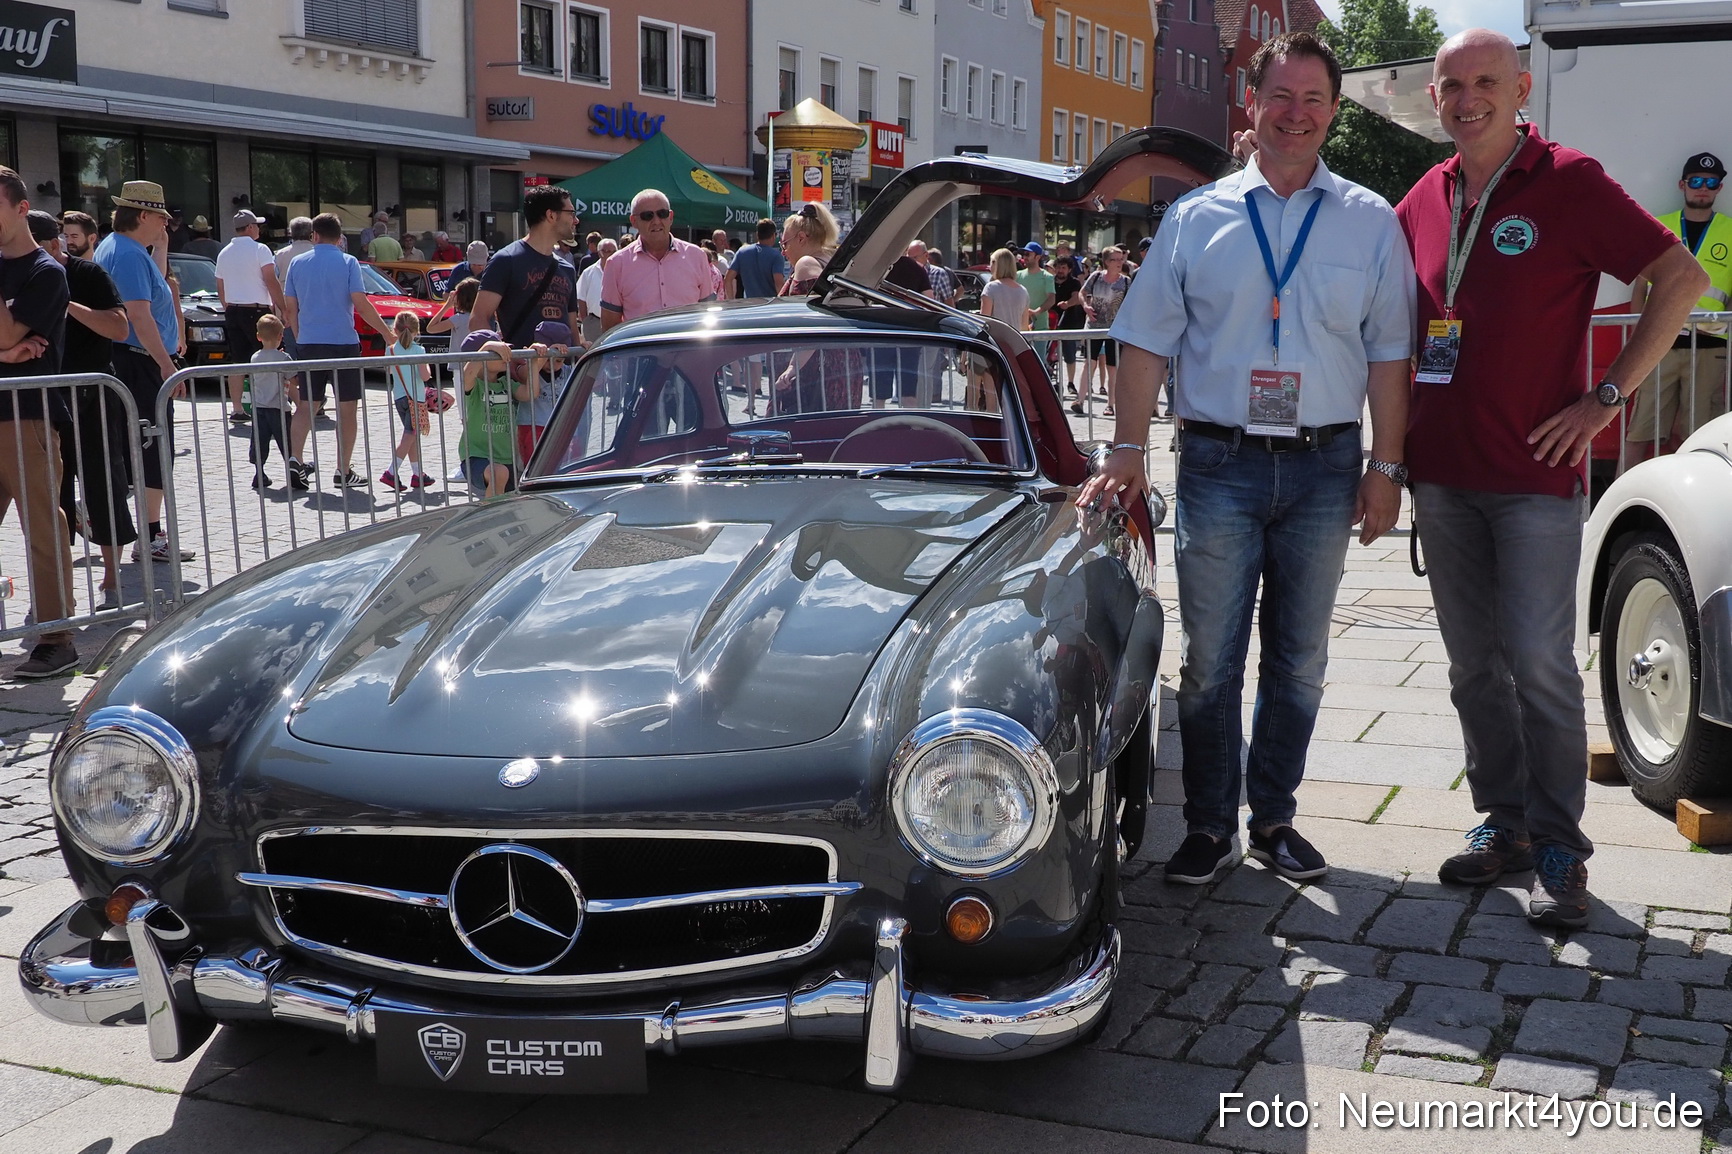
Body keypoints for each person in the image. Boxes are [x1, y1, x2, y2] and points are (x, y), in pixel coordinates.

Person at [1081, 32, 1416, 886]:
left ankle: (1273, 820)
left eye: (1313, 100)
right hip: (1219, 464)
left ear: (1334, 113)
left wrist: (1388, 468)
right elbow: (1145, 341)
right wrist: (1126, 447)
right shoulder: (1198, 217)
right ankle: (1205, 826)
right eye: (1281, 97)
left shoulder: (1371, 221)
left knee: (1299, 657)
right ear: (1252, 105)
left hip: (1325, 465)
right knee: (1209, 662)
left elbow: (1388, 355)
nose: (1295, 115)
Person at [1392, 30, 1705, 926]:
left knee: (1538, 662)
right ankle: (1506, 822)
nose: (1466, 98)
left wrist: (1607, 397)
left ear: (1521, 88)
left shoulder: (1569, 181)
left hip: (1534, 476)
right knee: (1472, 669)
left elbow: (1677, 279)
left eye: (1484, 82)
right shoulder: (1423, 196)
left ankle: (1563, 844)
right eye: (1451, 86)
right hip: (1443, 476)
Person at [94, 179, 196, 566]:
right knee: (153, 448)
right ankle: (149, 535)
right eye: (161, 218)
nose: (165, 225)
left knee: (143, 447)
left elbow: (149, 290)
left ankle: (141, 529)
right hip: (140, 361)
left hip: (135, 359)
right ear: (143, 215)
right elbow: (140, 312)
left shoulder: (123, 248)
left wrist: (163, 248)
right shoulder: (129, 253)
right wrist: (167, 364)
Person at [38, 212, 132, 612]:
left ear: (55, 245)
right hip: (42, 396)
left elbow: (119, 327)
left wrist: (68, 304)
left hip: (94, 392)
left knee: (102, 480)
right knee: (51, 491)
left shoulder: (88, 274)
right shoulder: (19, 277)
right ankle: (59, 587)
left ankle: (112, 578)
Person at [0, 186, 75, 677]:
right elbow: (7, 343)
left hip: (25, 414)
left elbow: (9, 334)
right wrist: (4, 354)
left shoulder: (45, 273)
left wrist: (6, 348)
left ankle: (56, 637)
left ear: (21, 208)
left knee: (42, 527)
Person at [1623, 151, 1732, 462]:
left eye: (1711, 182)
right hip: (1659, 346)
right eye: (1696, 181)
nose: (1703, 188)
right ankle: (1618, 501)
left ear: (1719, 188)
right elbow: (1640, 287)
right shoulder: (1660, 226)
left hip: (1710, 350)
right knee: (1639, 432)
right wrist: (1636, 340)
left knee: (1701, 436)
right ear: (1682, 184)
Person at [282, 212, 395, 489]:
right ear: (340, 237)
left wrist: (299, 337)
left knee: (307, 406)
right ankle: (342, 471)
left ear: (314, 235)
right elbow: (361, 302)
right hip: (343, 342)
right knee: (347, 409)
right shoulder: (349, 262)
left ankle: (296, 460)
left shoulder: (297, 262)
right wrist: (386, 333)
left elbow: (290, 308)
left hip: (309, 342)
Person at [472, 185, 582, 347]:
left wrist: (579, 354)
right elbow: (478, 319)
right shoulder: (506, 260)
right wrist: (506, 361)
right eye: (571, 213)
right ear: (551, 215)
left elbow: (572, 326)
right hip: (522, 368)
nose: (576, 220)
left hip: (563, 370)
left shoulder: (567, 268)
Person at [600, 189, 715, 330]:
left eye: (662, 214)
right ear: (634, 221)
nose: (656, 221)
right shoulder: (617, 264)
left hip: (689, 350)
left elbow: (709, 314)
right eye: (647, 216)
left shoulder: (696, 257)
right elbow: (610, 327)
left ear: (671, 217)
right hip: (641, 350)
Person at [216, 209, 286, 424]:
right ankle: (268, 403)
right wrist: (282, 308)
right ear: (249, 227)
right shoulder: (260, 249)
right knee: (267, 357)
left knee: (238, 361)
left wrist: (229, 305)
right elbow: (270, 280)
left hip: (233, 309)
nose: (259, 229)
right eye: (256, 225)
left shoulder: (224, 252)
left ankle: (237, 409)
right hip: (256, 310)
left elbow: (220, 286)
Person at [457, 329, 517, 497]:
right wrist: (486, 348)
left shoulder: (507, 382)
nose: (505, 356)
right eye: (497, 353)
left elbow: (530, 393)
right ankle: (488, 518)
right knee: (499, 473)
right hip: (477, 456)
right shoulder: (474, 385)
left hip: (507, 457)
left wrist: (538, 358)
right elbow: (466, 375)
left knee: (509, 501)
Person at [246, 314, 301, 491]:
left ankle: (259, 472)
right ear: (280, 336)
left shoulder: (255, 357)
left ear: (258, 336)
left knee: (259, 441)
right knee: (287, 441)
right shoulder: (283, 358)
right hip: (279, 407)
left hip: (259, 407)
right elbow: (295, 380)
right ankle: (293, 470)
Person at [381, 311, 433, 492]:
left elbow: (389, 371)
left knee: (411, 436)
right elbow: (425, 375)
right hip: (416, 399)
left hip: (399, 397)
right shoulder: (419, 350)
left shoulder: (391, 349)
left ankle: (418, 474)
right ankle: (391, 472)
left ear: (394, 329)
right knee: (410, 435)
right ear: (417, 331)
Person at [1080, 247, 1131, 415]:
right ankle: (1080, 400)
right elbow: (1083, 292)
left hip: (1115, 331)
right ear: (1107, 262)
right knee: (1090, 363)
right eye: (1115, 259)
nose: (1119, 262)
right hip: (1094, 328)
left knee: (1112, 367)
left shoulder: (1125, 282)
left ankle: (1111, 404)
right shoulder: (1096, 277)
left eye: (1121, 259)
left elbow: (1132, 304)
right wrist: (1086, 306)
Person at [515, 319, 569, 465]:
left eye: (558, 360)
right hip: (533, 428)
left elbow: (593, 377)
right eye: (547, 360)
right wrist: (538, 358)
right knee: (535, 468)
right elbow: (524, 376)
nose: (551, 365)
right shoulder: (528, 364)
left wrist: (586, 349)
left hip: (560, 427)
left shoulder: (567, 371)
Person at [779, 202, 839, 296]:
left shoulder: (806, 264)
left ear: (801, 238)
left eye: (784, 244)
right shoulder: (830, 261)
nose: (783, 252)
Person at [1051, 254, 1087, 397]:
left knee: (1070, 354)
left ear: (1069, 269)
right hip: (1051, 322)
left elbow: (1076, 297)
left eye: (1063, 268)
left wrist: (1068, 304)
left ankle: (1071, 382)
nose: (1060, 270)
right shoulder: (1050, 281)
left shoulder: (1074, 283)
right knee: (1050, 354)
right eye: (1058, 267)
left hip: (1069, 322)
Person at [726, 219, 786, 300]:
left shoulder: (742, 252)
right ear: (774, 236)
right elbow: (779, 284)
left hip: (750, 305)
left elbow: (728, 279)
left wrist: (731, 300)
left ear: (757, 234)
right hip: (770, 305)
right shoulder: (776, 256)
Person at [574, 241, 614, 344]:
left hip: (616, 322)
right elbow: (581, 297)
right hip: (594, 322)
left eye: (612, 251)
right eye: (605, 251)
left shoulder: (622, 271)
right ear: (599, 252)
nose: (609, 254)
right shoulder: (588, 272)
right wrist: (585, 320)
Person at [427, 276, 481, 353]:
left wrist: (447, 305)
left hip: (457, 362)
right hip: (476, 362)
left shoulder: (459, 319)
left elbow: (431, 328)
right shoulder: (483, 317)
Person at [1018, 241, 1056, 333]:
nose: (1025, 257)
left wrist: (1036, 312)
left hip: (1040, 328)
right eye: (1024, 254)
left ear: (1037, 257)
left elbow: (1051, 299)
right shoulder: (1017, 275)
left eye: (1028, 254)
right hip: (1020, 328)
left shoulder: (1047, 277)